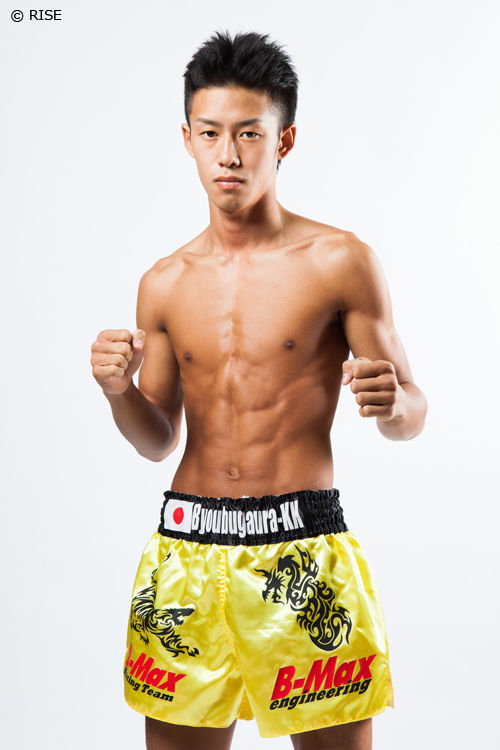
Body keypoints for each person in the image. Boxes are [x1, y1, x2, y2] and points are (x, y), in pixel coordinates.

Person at [90, 29, 427, 750]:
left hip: (303, 551)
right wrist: (120, 391)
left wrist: (394, 403)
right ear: (187, 139)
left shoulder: (340, 261)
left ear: (285, 140)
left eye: (249, 133)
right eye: (211, 133)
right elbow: (158, 441)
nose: (229, 155)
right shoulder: (163, 282)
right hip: (186, 552)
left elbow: (411, 412)